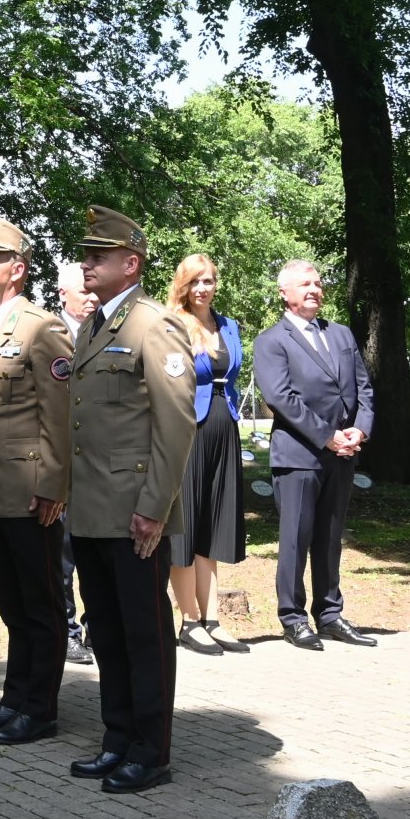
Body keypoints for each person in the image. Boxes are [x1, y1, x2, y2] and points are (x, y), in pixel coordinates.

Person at [64, 206, 195, 794]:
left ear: (131, 263)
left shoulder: (153, 325)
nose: (87, 263)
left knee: (143, 632)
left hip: (135, 510)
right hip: (92, 507)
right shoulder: (95, 325)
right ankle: (116, 737)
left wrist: (156, 506)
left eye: (98, 256)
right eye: (86, 255)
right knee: (107, 631)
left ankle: (150, 748)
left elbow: (175, 425)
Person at [0, 218, 73, 746]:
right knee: (11, 604)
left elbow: (62, 414)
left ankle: (41, 708)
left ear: (18, 269)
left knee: (42, 604)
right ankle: (13, 698)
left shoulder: (41, 327)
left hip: (30, 492)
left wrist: (53, 485)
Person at [252, 260, 378, 650]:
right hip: (298, 455)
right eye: (305, 284)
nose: (314, 289)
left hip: (342, 454)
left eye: (318, 283)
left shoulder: (340, 334)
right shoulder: (272, 341)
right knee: (296, 538)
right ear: (284, 294)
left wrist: (360, 428)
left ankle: (330, 614)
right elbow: (280, 398)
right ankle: (293, 618)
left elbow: (364, 389)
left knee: (330, 537)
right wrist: (327, 437)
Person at [164, 254, 249, 656]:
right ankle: (189, 620)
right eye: (195, 281)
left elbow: (232, 377)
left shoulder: (228, 325)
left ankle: (212, 617)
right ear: (183, 285)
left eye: (209, 280)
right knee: (186, 525)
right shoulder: (173, 325)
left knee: (212, 527)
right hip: (187, 430)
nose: (203, 288)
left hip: (223, 425)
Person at [55, 270, 100, 666]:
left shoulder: (110, 331)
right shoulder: (50, 334)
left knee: (98, 556)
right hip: (64, 466)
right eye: (83, 291)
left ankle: (96, 628)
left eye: (93, 291)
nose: (91, 297)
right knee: (63, 558)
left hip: (103, 468)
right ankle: (68, 631)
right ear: (62, 291)